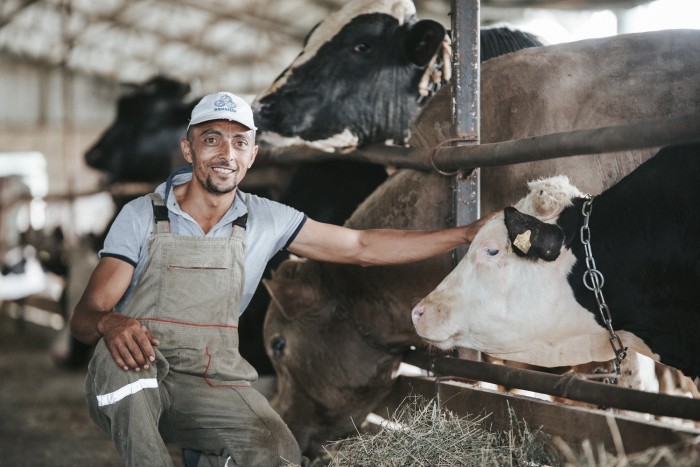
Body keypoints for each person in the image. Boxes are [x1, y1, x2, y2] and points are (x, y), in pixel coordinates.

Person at [70, 91, 490, 467]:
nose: (226, 154)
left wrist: (464, 234)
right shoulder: (142, 215)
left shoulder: (266, 218)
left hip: (209, 379)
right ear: (188, 149)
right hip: (135, 371)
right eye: (212, 139)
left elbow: (360, 246)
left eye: (239, 142)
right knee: (128, 373)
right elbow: (85, 318)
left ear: (252, 155)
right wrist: (111, 322)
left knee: (279, 453)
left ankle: (210, 453)